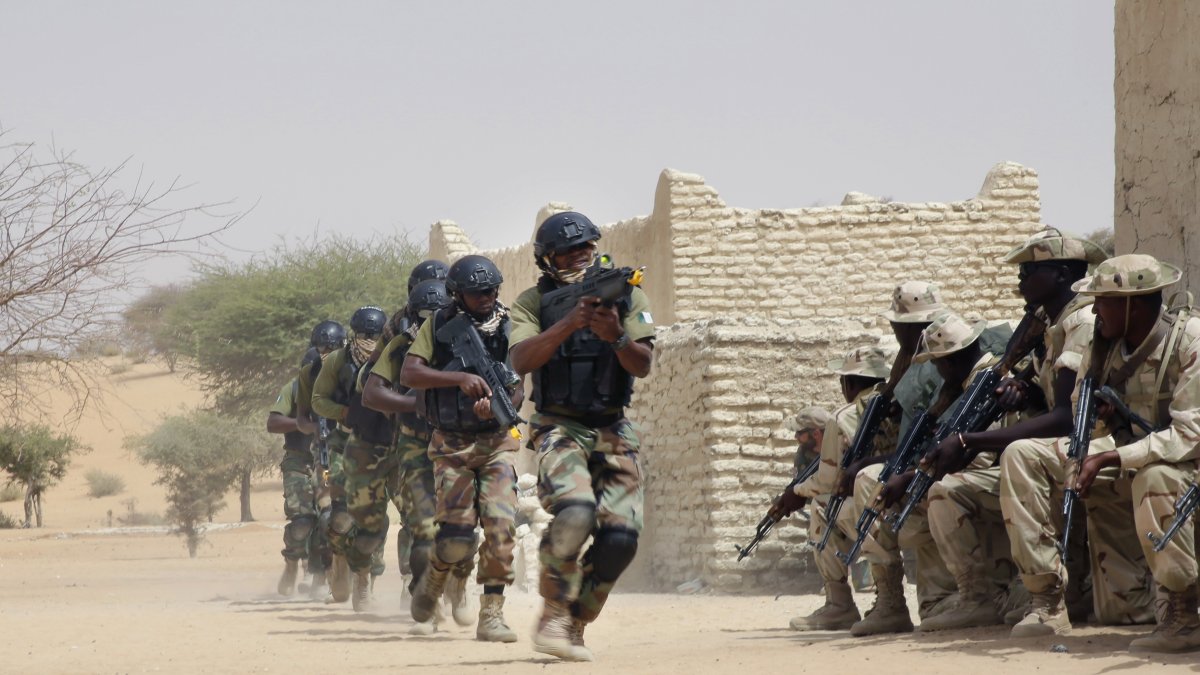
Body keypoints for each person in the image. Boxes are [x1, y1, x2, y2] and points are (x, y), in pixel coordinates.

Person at [1007, 254, 1199, 652]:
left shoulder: (1189, 340)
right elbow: (1082, 421)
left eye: (1104, 300)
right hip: (1132, 452)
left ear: (1134, 302)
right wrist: (1100, 421)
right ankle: (1047, 599)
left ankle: (1184, 614)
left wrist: (1114, 457)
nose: (1095, 308)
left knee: (1155, 474)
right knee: (1023, 454)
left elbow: (1189, 435)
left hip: (1183, 467)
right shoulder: (1102, 346)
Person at [920, 227, 1106, 631]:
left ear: (1061, 274)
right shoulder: (1046, 326)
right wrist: (1023, 391)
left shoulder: (1082, 323)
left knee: (1018, 454)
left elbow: (1066, 418)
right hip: (1061, 448)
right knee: (946, 490)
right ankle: (977, 596)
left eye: (1029, 271)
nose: (1020, 280)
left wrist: (970, 439)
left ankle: (1048, 603)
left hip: (1095, 445)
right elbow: (1050, 402)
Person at [509, 211, 656, 661]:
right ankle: (553, 611)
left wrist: (614, 336)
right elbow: (520, 360)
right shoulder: (532, 303)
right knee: (575, 512)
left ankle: (576, 620)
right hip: (558, 425)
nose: (579, 257)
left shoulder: (625, 294)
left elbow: (643, 364)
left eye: (585, 248)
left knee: (620, 539)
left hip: (613, 426)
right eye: (567, 252)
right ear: (547, 259)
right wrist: (569, 324)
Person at [401, 254, 523, 643]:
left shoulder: (510, 324)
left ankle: (492, 613)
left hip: (497, 444)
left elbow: (521, 381)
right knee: (456, 535)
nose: (486, 297)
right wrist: (458, 379)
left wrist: (504, 405)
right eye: (476, 293)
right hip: (451, 445)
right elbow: (410, 372)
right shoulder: (438, 326)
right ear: (457, 294)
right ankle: (436, 580)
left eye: (491, 290)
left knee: (502, 527)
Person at [362, 277, 461, 634]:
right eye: (423, 315)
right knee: (422, 525)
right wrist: (414, 405)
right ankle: (426, 598)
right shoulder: (402, 343)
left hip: (462, 443)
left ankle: (459, 587)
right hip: (415, 443)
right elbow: (370, 393)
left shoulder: (474, 334)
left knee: (461, 526)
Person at [771, 348, 892, 631]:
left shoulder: (845, 417)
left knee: (823, 507)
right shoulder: (899, 403)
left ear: (848, 384)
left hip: (881, 507)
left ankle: (845, 605)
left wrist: (796, 493)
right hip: (905, 496)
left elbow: (828, 480)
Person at [311, 305, 389, 610]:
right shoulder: (337, 361)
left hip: (380, 445)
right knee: (342, 515)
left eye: (374, 334)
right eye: (363, 334)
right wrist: (344, 412)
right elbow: (318, 400)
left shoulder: (392, 356)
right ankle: (341, 561)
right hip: (344, 442)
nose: (368, 339)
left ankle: (364, 581)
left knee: (375, 518)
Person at [295, 320, 348, 601]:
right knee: (328, 511)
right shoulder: (309, 371)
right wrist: (316, 429)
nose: (326, 352)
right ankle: (332, 574)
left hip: (359, 447)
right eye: (321, 347)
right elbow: (302, 419)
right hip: (326, 453)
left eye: (332, 347)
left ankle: (365, 575)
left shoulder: (352, 367)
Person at [266, 350, 318, 597]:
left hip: (330, 462)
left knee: (330, 518)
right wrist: (302, 424)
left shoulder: (339, 389)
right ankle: (292, 563)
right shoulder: (294, 388)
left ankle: (317, 572)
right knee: (302, 522)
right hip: (298, 460)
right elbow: (273, 423)